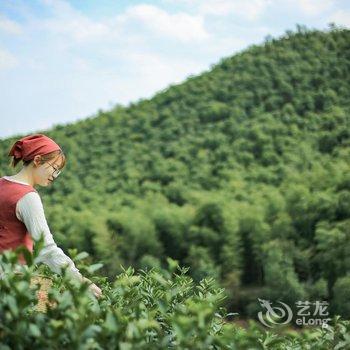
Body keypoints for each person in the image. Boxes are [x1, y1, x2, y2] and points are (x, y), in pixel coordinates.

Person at [0, 134, 102, 298]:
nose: (54, 176)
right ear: (37, 160)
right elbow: (46, 249)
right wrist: (80, 280)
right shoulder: (27, 197)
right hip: (11, 281)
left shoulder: (2, 184)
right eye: (54, 169)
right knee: (47, 306)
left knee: (43, 286)